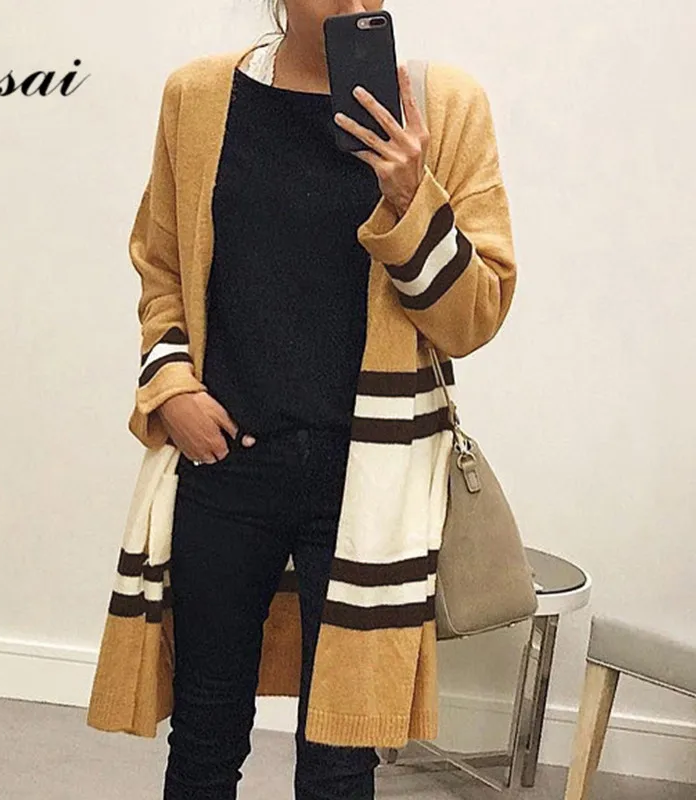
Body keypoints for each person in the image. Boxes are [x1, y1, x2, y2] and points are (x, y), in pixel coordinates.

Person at [87, 2, 518, 799]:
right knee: (205, 738)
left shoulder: (445, 106)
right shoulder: (199, 97)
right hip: (226, 465)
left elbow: (473, 319)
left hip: (369, 481)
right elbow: (161, 265)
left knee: (341, 758)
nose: (358, 5)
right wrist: (172, 386)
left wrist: (409, 197)